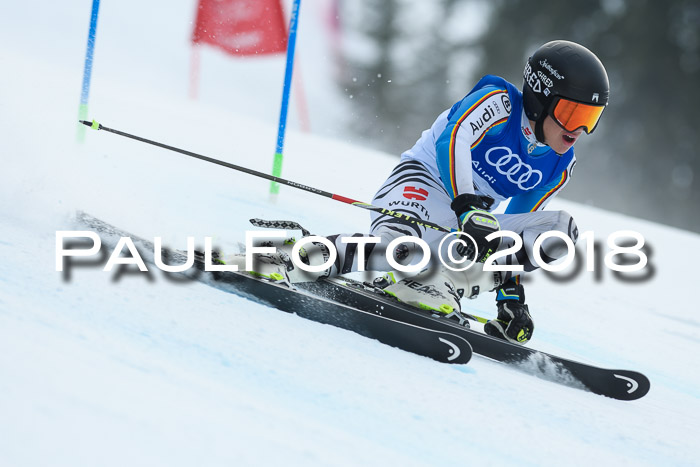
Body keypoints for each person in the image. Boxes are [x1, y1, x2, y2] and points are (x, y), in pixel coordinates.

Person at [228, 40, 609, 346]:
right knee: (396, 250)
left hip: (464, 225)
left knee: (560, 228)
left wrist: (510, 297)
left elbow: (514, 238)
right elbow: (452, 139)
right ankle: (284, 258)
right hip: (421, 185)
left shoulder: (559, 164)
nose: (579, 130)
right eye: (573, 114)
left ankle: (432, 284)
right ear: (541, 97)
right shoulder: (498, 102)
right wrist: (468, 206)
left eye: (590, 119)